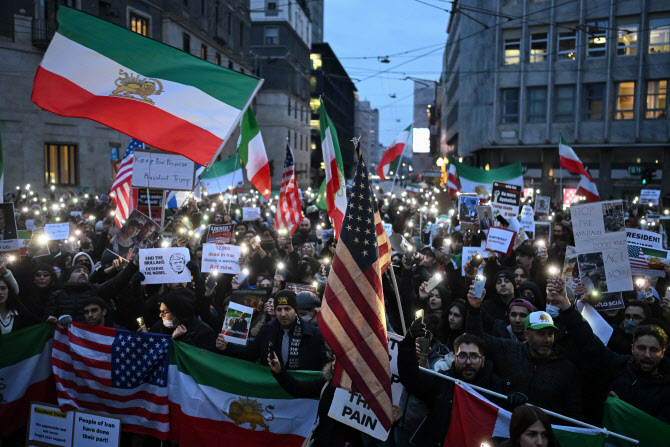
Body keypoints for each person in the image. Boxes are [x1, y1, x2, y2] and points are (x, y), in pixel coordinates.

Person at [551, 284, 670, 422]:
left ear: (663, 352)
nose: (647, 355)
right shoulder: (619, 366)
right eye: (641, 348)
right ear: (632, 349)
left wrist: (624, 411)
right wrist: (566, 305)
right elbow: (588, 340)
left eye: (654, 350)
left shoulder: (667, 386)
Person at [467, 284, 583, 418]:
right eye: (541, 334)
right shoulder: (509, 351)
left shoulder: (565, 368)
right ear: (527, 334)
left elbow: (574, 411)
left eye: (550, 334)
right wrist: (474, 308)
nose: (547, 339)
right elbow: (477, 339)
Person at [397, 324, 504, 447]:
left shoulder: (496, 390)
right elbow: (411, 378)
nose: (468, 362)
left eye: (474, 356)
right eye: (462, 356)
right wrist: (407, 344)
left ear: (483, 360)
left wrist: (516, 400)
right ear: (455, 359)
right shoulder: (443, 381)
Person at [216, 290, 328, 371]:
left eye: (287, 309)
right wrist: (227, 346)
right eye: (279, 309)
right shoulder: (267, 330)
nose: (283, 314)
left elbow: (321, 365)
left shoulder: (313, 333)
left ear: (295, 310)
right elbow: (250, 353)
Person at [45, 261, 137, 323]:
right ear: (68, 279)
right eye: (77, 271)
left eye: (85, 272)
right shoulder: (57, 296)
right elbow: (48, 318)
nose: (83, 273)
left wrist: (134, 264)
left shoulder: (96, 290)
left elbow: (117, 282)